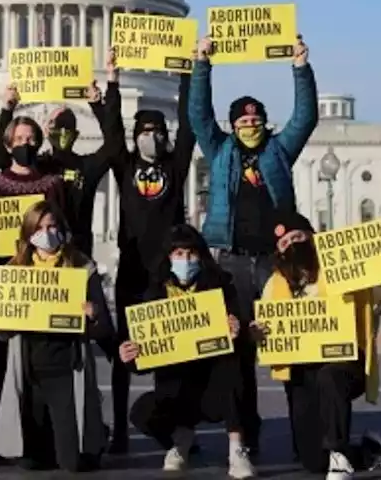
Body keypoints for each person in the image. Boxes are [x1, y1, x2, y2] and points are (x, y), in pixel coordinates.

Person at [188, 34, 318, 451]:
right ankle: (244, 436)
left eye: (255, 119)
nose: (249, 125)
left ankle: (307, 436)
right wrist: (202, 64)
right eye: (242, 121)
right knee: (237, 353)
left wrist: (299, 67)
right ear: (233, 126)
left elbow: (306, 118)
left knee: (293, 344)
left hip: (277, 261)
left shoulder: (280, 151)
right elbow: (198, 116)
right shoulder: (220, 149)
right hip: (232, 259)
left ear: (264, 122)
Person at [253, 225, 381, 479]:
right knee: (313, 461)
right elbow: (265, 328)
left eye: (297, 237)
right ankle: (367, 451)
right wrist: (258, 334)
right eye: (285, 242)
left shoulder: (343, 273)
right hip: (301, 371)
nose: (292, 245)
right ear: (278, 252)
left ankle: (339, 454)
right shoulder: (274, 284)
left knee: (329, 377)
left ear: (313, 238)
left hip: (345, 362)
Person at [99, 47, 197, 452]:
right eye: (144, 129)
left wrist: (190, 77)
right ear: (135, 133)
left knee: (171, 353)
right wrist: (113, 83)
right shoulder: (124, 166)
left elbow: (190, 127)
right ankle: (121, 429)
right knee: (125, 354)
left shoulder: (175, 166)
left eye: (157, 129)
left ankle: (174, 428)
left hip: (169, 272)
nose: (151, 135)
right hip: (133, 268)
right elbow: (110, 133)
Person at [0, 201, 113, 472]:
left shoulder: (82, 267)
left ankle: (94, 438)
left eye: (52, 227)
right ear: (28, 233)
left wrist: (93, 315)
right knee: (32, 463)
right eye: (39, 228)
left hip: (66, 369)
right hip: (30, 372)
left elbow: (105, 329)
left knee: (72, 464)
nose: (46, 233)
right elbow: (3, 333)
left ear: (62, 230)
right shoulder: (14, 269)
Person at [0, 114, 67, 462]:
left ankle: (41, 440)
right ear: (7, 145)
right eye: (18, 139)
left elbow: (63, 234)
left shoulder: (52, 183)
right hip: (2, 287)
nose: (24, 144)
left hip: (43, 286)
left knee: (41, 367)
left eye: (30, 138)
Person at [117, 224, 254, 478]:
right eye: (179, 254)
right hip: (175, 388)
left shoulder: (221, 287)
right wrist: (130, 357)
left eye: (191, 254)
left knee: (234, 363)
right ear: (168, 258)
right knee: (141, 412)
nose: (186, 260)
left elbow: (245, 332)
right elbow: (144, 351)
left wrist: (237, 330)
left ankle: (237, 448)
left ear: (201, 257)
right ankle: (180, 439)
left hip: (213, 387)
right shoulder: (154, 295)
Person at [0, 76, 114, 257]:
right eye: (56, 124)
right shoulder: (39, 166)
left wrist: (97, 105)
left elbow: (114, 146)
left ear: (76, 133)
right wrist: (7, 110)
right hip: (40, 254)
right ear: (45, 131)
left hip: (75, 254)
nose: (62, 130)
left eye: (67, 126)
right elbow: (5, 159)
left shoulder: (87, 167)